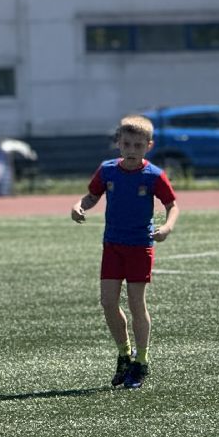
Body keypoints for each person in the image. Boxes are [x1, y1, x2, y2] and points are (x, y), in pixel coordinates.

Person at [69, 114, 180, 389]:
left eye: (138, 146)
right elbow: (92, 196)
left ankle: (142, 362)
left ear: (148, 147)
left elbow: (172, 205)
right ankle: (124, 353)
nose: (132, 150)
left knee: (135, 304)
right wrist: (78, 206)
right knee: (108, 302)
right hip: (113, 245)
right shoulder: (107, 171)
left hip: (140, 246)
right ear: (118, 143)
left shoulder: (154, 175)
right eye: (127, 144)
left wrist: (167, 227)